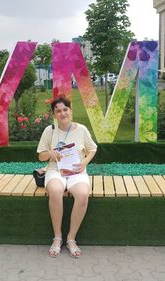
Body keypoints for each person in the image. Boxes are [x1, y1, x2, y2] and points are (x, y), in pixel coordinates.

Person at [37, 96, 97, 258]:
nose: (62, 113)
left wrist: (84, 163)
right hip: (55, 171)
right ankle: (57, 237)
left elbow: (93, 149)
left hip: (76, 172)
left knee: (83, 194)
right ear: (54, 114)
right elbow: (41, 156)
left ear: (70, 111)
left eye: (65, 109)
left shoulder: (82, 129)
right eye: (58, 111)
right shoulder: (49, 131)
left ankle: (71, 238)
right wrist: (50, 153)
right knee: (56, 190)